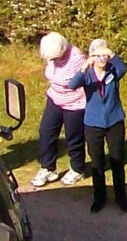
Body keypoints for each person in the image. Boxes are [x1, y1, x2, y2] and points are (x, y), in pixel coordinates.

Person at [70, 38, 127, 214]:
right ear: (91, 57)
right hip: (93, 122)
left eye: (104, 56)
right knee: (97, 162)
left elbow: (123, 68)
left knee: (117, 159)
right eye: (97, 56)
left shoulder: (113, 70)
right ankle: (99, 197)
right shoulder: (87, 74)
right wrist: (84, 67)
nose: (101, 60)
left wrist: (112, 54)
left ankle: (121, 197)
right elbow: (72, 85)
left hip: (114, 120)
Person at [31, 31, 89, 189]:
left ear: (63, 50)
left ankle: (77, 169)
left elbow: (83, 81)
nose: (52, 61)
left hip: (75, 103)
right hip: (55, 98)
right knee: (46, 132)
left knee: (74, 137)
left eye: (55, 58)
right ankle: (48, 168)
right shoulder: (51, 52)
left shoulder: (77, 58)